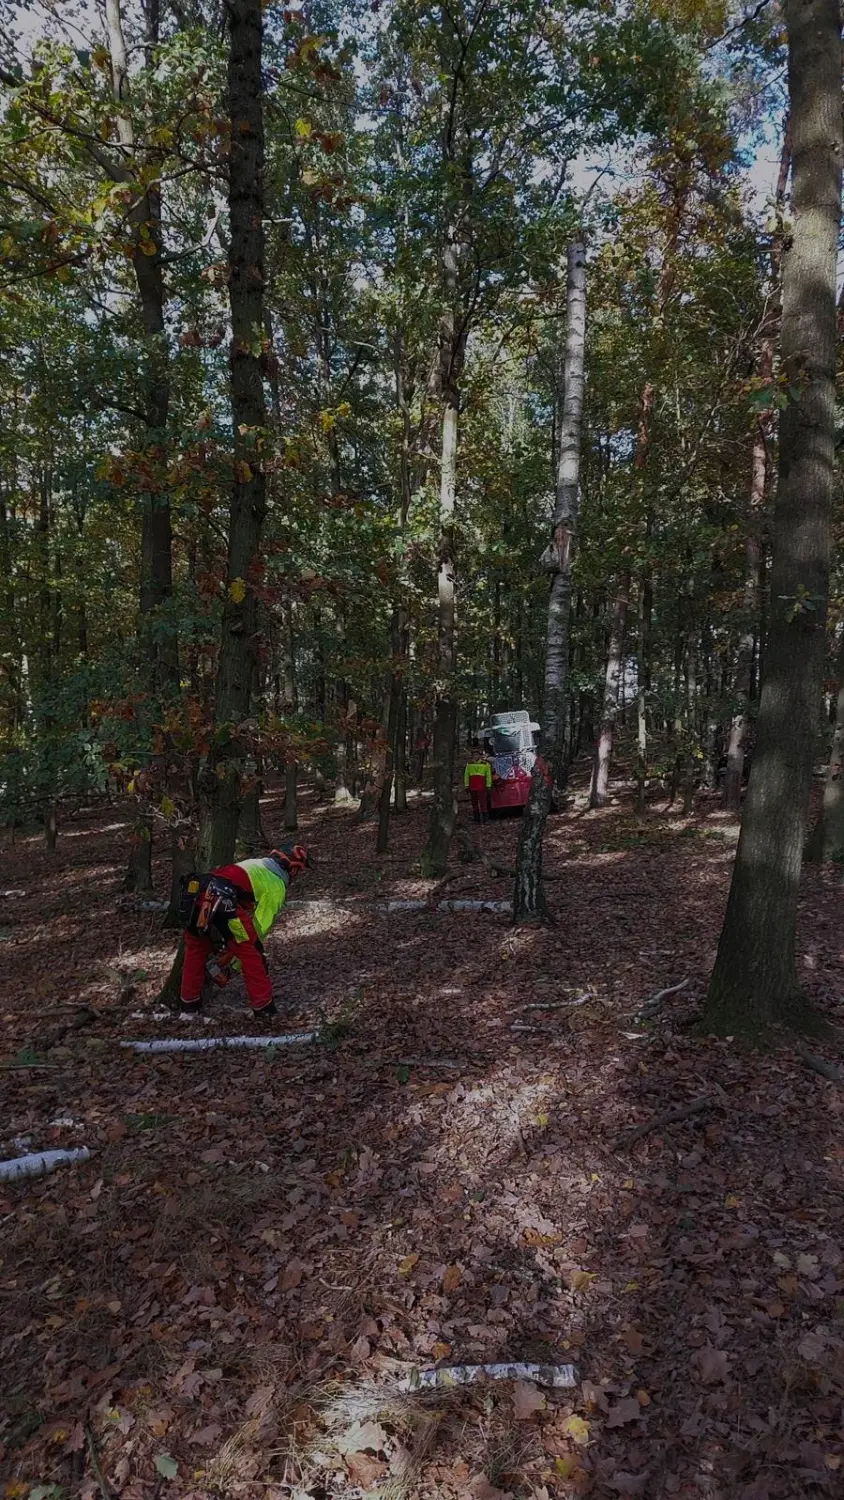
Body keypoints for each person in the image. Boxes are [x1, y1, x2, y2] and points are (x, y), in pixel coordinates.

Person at [179, 841, 309, 1017]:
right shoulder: (276, 885)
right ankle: (264, 1009)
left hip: (198, 894)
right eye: (298, 870)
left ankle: (189, 1007)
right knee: (252, 953)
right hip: (223, 901)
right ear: (293, 869)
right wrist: (234, 964)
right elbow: (259, 928)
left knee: (196, 948)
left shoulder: (257, 864)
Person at [463, 749, 492, 823]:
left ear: (479, 755)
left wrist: (488, 785)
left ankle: (485, 819)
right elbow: (466, 775)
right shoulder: (469, 764)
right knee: (474, 802)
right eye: (474, 755)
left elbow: (488, 776)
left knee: (483, 802)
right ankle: (476, 818)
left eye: (477, 755)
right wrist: (467, 785)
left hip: (482, 786)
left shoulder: (485, 764)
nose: (475, 756)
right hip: (472, 786)